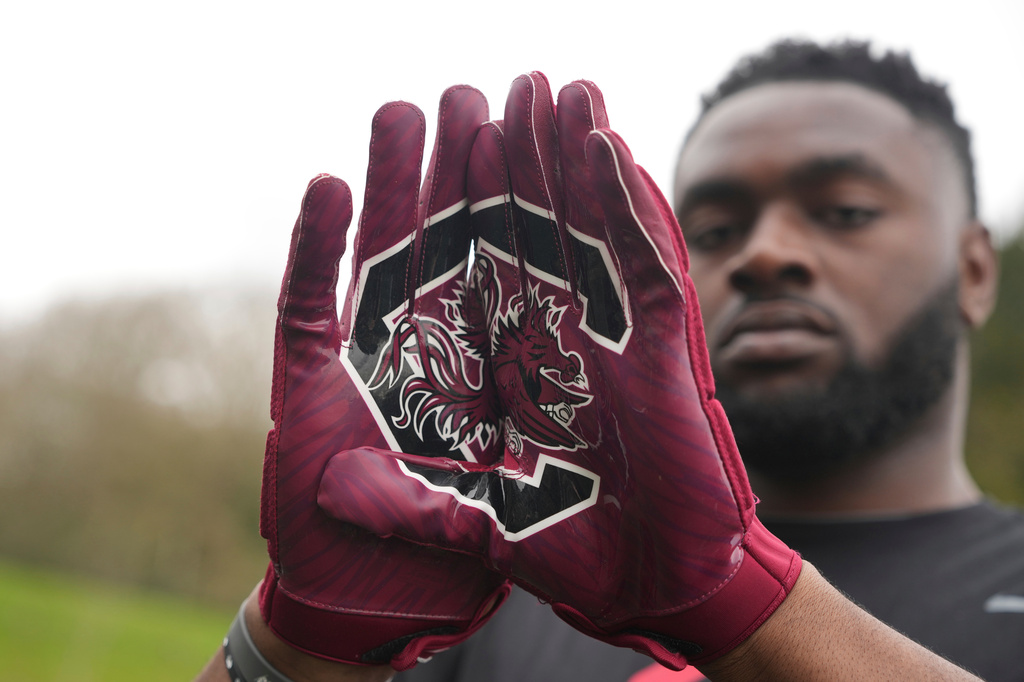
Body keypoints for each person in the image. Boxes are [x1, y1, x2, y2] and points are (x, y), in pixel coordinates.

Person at [196, 42, 1001, 682]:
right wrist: (305, 649)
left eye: (845, 213)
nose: (767, 253)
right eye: (715, 230)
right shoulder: (502, 581)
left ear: (974, 270)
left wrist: (748, 605)